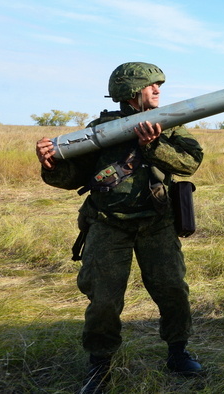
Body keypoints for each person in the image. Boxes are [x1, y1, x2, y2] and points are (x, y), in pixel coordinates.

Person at [35, 62, 204, 394]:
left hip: (157, 224)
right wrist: (50, 164)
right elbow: (72, 178)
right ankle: (99, 365)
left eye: (160, 85)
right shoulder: (99, 130)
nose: (158, 91)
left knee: (172, 290)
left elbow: (190, 163)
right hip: (108, 226)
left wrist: (153, 146)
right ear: (130, 92)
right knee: (104, 300)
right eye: (151, 85)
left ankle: (178, 352)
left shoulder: (167, 126)